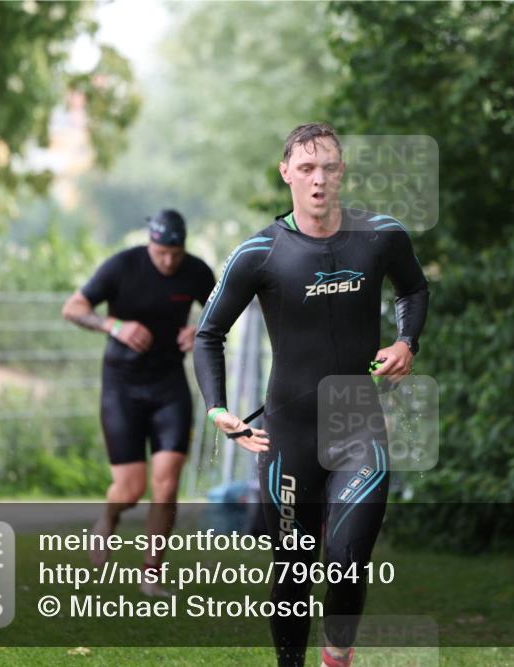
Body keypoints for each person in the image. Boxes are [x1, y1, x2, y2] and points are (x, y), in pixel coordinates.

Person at [194, 123, 429, 667]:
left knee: (348, 559)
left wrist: (405, 341)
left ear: (341, 171)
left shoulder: (381, 236)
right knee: (294, 573)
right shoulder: (260, 252)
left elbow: (414, 288)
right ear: (286, 175)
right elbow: (208, 334)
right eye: (306, 168)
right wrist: (219, 409)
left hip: (358, 425)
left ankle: (337, 655)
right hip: (289, 435)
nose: (318, 179)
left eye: (328, 167)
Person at [61, 209, 215, 596]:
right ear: (150, 243)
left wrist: (201, 330)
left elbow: (221, 311)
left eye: (175, 253)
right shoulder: (121, 267)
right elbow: (73, 308)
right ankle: (109, 516)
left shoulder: (196, 272)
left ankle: (151, 572)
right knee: (130, 490)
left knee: (166, 485)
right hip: (122, 387)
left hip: (169, 386)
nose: (168, 260)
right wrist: (114, 325)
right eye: (161, 252)